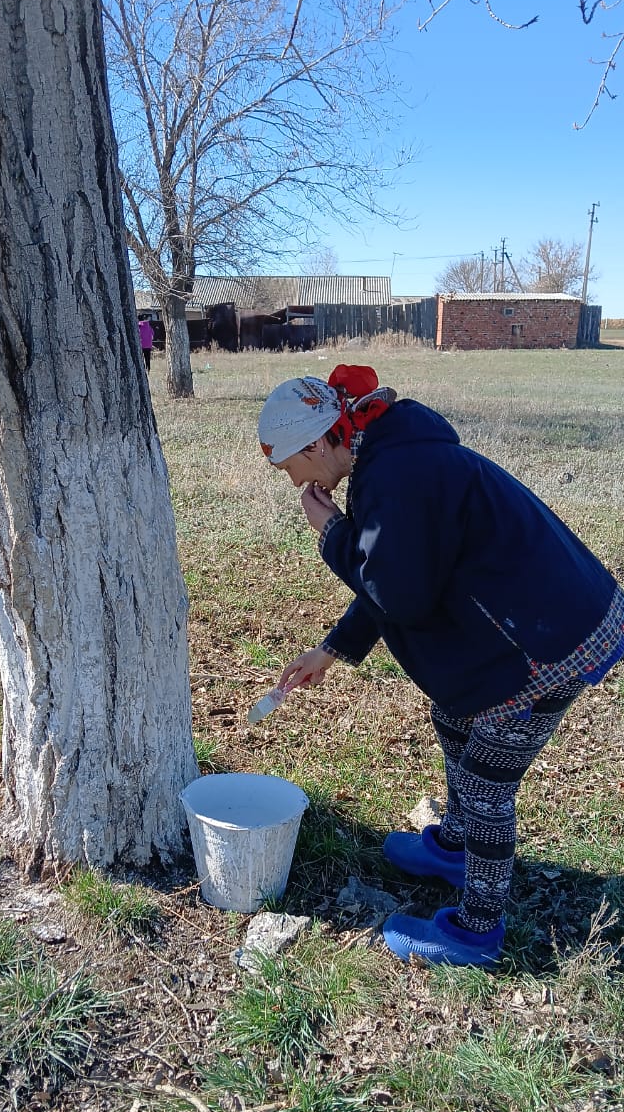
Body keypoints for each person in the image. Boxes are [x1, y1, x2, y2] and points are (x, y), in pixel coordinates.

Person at [257, 367, 624, 968]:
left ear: (319, 443)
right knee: (455, 715)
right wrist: (333, 648)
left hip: (548, 643)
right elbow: (397, 571)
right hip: (548, 618)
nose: (293, 481)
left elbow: (400, 595)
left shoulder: (396, 478)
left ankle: (477, 930)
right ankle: (456, 846)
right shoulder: (392, 458)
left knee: (486, 781)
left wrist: (331, 534)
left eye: (288, 465)